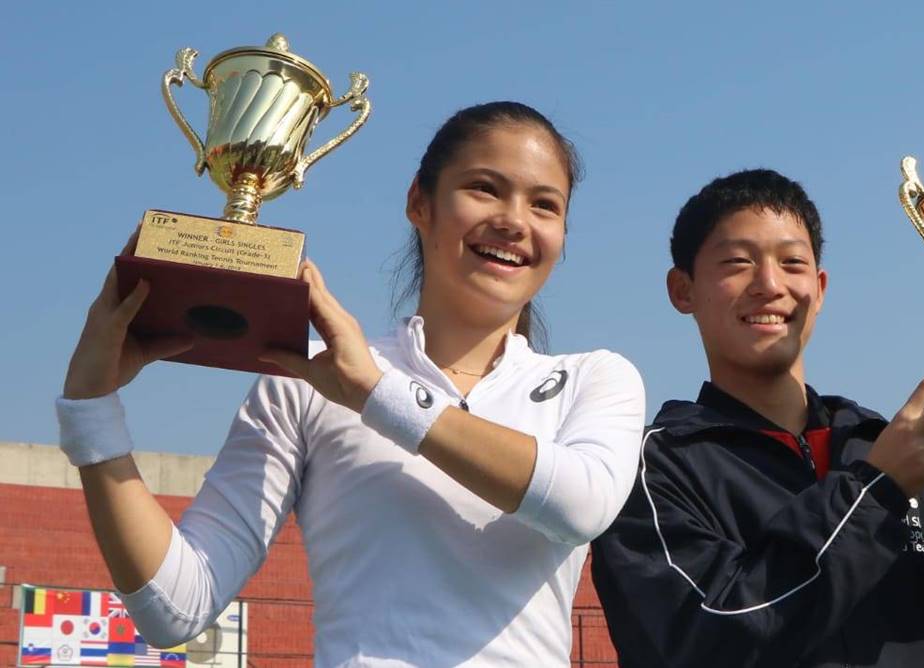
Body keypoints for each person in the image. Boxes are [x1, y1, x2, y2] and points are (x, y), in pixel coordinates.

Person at [57, 101, 646, 667]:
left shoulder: (594, 378)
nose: (515, 221)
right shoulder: (304, 382)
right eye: (485, 188)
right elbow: (177, 607)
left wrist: (375, 394)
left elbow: (578, 505)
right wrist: (90, 410)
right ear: (420, 202)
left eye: (545, 205)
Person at [590, 169, 924, 667]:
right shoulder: (648, 468)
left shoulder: (890, 446)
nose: (770, 285)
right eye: (737, 262)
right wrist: (876, 491)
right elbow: (712, 635)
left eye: (793, 262)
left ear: (819, 289)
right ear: (683, 290)